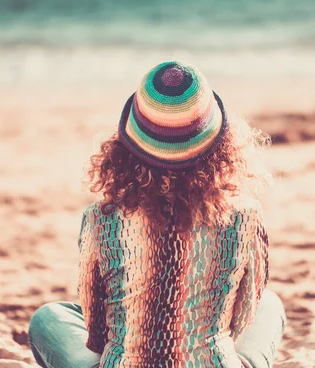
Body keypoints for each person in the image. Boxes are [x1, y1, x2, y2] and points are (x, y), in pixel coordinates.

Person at [28, 61, 286, 368]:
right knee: (269, 305)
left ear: (129, 144)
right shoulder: (245, 216)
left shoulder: (101, 219)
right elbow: (242, 319)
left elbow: (96, 331)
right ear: (219, 143)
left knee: (48, 318)